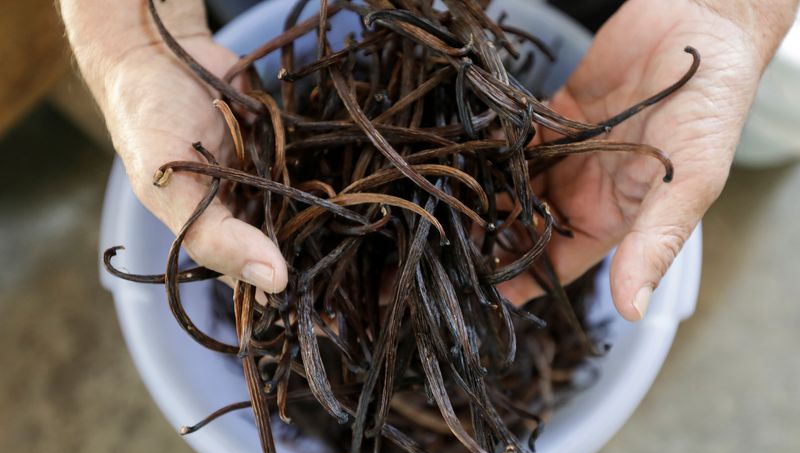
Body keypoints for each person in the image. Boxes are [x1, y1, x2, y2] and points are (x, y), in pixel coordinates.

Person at [61, 0, 798, 321]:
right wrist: (132, 38)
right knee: (264, 107)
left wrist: (728, 8)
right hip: (254, 29)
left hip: (621, 16)